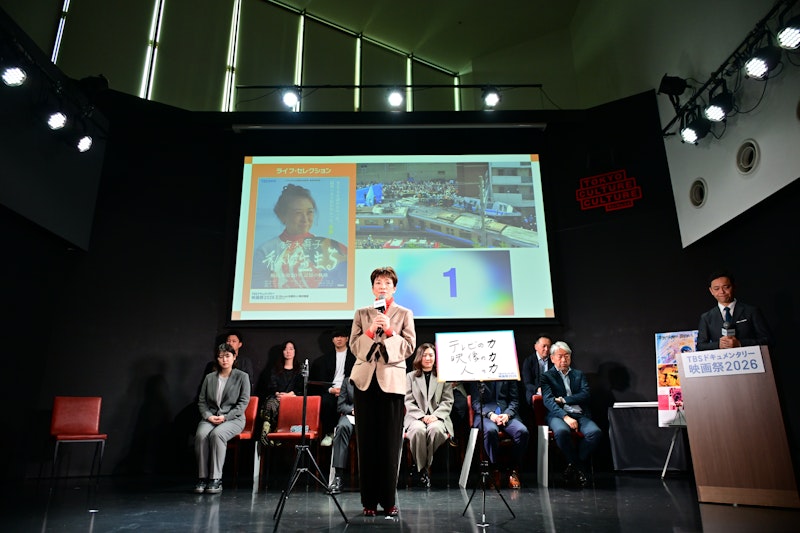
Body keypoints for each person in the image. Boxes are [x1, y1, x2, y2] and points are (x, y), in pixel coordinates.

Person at [350, 266, 415, 517]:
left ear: (394, 288)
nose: (382, 287)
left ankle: (388, 500)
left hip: (392, 383)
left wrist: (389, 331)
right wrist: (370, 330)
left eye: (387, 283)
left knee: (389, 443)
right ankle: (368, 501)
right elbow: (355, 347)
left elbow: (409, 347)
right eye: (378, 283)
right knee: (366, 442)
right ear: (372, 288)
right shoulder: (362, 313)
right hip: (365, 382)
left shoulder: (405, 313)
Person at [251, 183, 347, 289]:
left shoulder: (327, 246)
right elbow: (258, 287)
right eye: (298, 213)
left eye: (309, 212)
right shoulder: (265, 251)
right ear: (282, 216)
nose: (305, 219)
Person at [541, 341, 601, 487]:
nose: (564, 359)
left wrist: (563, 399)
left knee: (595, 433)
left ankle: (573, 465)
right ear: (552, 358)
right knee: (562, 432)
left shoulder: (578, 374)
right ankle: (579, 467)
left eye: (567, 356)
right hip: (558, 415)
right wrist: (565, 416)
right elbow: (548, 401)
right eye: (560, 356)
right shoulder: (547, 377)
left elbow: (585, 395)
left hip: (579, 413)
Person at [194, 343, 251, 494]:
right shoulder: (209, 378)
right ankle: (202, 477)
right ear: (217, 359)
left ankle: (215, 478)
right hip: (211, 417)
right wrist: (208, 416)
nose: (224, 360)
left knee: (217, 434)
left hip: (234, 419)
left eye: (227, 356)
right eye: (221, 357)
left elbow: (243, 403)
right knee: (200, 435)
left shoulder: (242, 376)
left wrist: (226, 417)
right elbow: (202, 401)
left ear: (234, 357)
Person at [403, 343, 454, 488]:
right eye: (424, 355)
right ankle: (424, 469)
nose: (428, 358)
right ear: (419, 357)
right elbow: (408, 401)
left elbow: (447, 401)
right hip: (416, 417)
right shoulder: (410, 377)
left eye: (431, 355)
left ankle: (423, 467)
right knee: (418, 431)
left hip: (437, 417)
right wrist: (421, 416)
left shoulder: (443, 376)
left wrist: (435, 416)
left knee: (435, 430)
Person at [466, 378, 529, 489]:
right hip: (485, 415)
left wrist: (508, 414)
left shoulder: (508, 373)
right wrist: (491, 415)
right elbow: (475, 403)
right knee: (491, 431)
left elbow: (514, 400)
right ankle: (494, 470)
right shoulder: (478, 374)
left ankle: (513, 471)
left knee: (522, 431)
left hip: (506, 414)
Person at [697, 270, 771, 351]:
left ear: (734, 286)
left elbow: (768, 340)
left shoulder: (751, 311)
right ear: (711, 291)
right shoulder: (706, 317)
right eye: (716, 288)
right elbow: (700, 346)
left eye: (726, 287)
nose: (721, 292)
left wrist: (740, 343)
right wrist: (718, 345)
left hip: (749, 357)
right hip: (722, 358)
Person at [309, 328, 355, 447]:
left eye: (342, 336)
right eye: (336, 337)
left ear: (347, 338)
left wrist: (344, 391)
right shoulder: (324, 360)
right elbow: (322, 380)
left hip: (349, 392)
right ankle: (329, 433)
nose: (339, 339)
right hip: (331, 391)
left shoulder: (354, 357)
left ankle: (350, 435)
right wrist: (331, 390)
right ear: (332, 340)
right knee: (325, 402)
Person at [259, 340, 304, 447]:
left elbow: (301, 388)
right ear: (282, 352)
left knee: (286, 407)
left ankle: (277, 431)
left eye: (291, 349)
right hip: (277, 398)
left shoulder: (300, 369)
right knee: (271, 403)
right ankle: (267, 428)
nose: (288, 351)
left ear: (295, 352)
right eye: (285, 349)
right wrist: (278, 394)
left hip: (294, 399)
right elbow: (271, 386)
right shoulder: (275, 369)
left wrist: (289, 396)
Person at [327, 376, 355, 494]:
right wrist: (353, 410)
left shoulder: (374, 380)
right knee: (342, 427)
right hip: (350, 415)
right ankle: (338, 477)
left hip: (368, 416)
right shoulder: (347, 381)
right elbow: (341, 405)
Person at [521, 334, 553, 406]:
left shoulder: (553, 360)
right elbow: (527, 383)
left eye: (549, 346)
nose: (546, 349)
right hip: (534, 392)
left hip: (551, 392)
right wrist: (538, 389)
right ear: (536, 347)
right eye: (544, 346)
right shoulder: (529, 361)